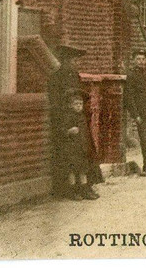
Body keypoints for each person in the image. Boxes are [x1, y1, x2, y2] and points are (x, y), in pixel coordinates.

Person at [47, 44, 92, 198]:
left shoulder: (75, 75)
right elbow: (54, 102)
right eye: (73, 60)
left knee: (85, 154)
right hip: (64, 120)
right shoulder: (56, 77)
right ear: (65, 60)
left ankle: (86, 187)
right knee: (68, 159)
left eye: (75, 61)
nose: (75, 63)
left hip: (78, 119)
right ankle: (70, 190)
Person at [60, 92, 99, 200]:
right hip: (71, 148)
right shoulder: (67, 116)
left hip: (81, 147)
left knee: (83, 169)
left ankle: (85, 190)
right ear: (70, 105)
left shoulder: (82, 116)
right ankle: (73, 192)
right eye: (76, 104)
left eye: (80, 104)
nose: (78, 106)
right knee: (72, 170)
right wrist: (69, 131)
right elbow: (61, 131)